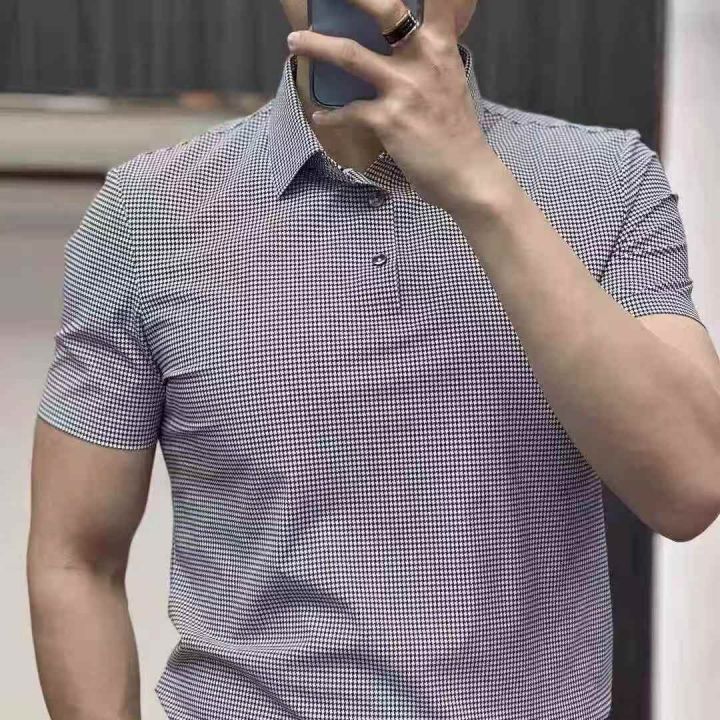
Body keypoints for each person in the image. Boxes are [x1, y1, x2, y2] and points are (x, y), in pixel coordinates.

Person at [28, 1, 720, 719]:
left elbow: (690, 485)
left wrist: (481, 187)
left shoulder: (607, 182)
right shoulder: (147, 214)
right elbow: (74, 558)